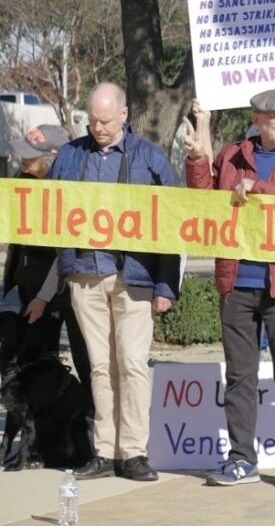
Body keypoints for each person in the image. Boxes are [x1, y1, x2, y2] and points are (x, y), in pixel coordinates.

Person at [184, 89, 275, 488]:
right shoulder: (231, 154)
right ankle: (241, 459)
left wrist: (260, 189)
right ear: (257, 119)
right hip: (237, 281)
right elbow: (204, 200)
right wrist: (197, 157)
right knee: (240, 377)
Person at [48, 83, 180, 482]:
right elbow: (49, 212)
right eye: (92, 120)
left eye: (105, 120)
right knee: (100, 368)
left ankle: (134, 452)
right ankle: (105, 452)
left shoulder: (150, 157)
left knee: (133, 364)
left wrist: (165, 286)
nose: (98, 127)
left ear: (124, 114)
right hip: (85, 276)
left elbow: (172, 221)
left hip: (134, 278)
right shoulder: (70, 156)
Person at [2, 126, 92, 405]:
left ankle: (90, 425)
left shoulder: (72, 187)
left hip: (66, 285)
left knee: (86, 361)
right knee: (37, 363)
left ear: (53, 157)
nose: (21, 159)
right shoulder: (22, 180)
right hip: (31, 286)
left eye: (30, 156)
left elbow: (66, 250)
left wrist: (44, 297)